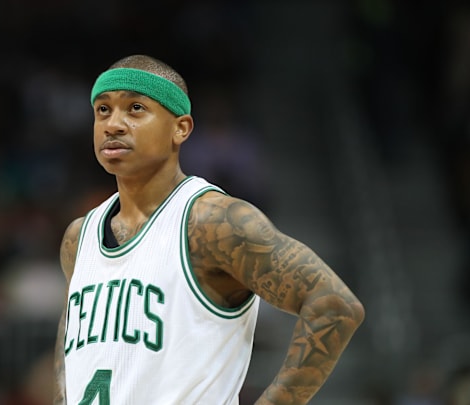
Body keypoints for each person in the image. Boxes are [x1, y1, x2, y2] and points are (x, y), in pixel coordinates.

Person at [53, 54, 365, 405]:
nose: (113, 124)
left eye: (135, 108)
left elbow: (335, 305)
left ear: (180, 128)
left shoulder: (212, 222)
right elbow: (71, 348)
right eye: (103, 110)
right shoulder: (79, 237)